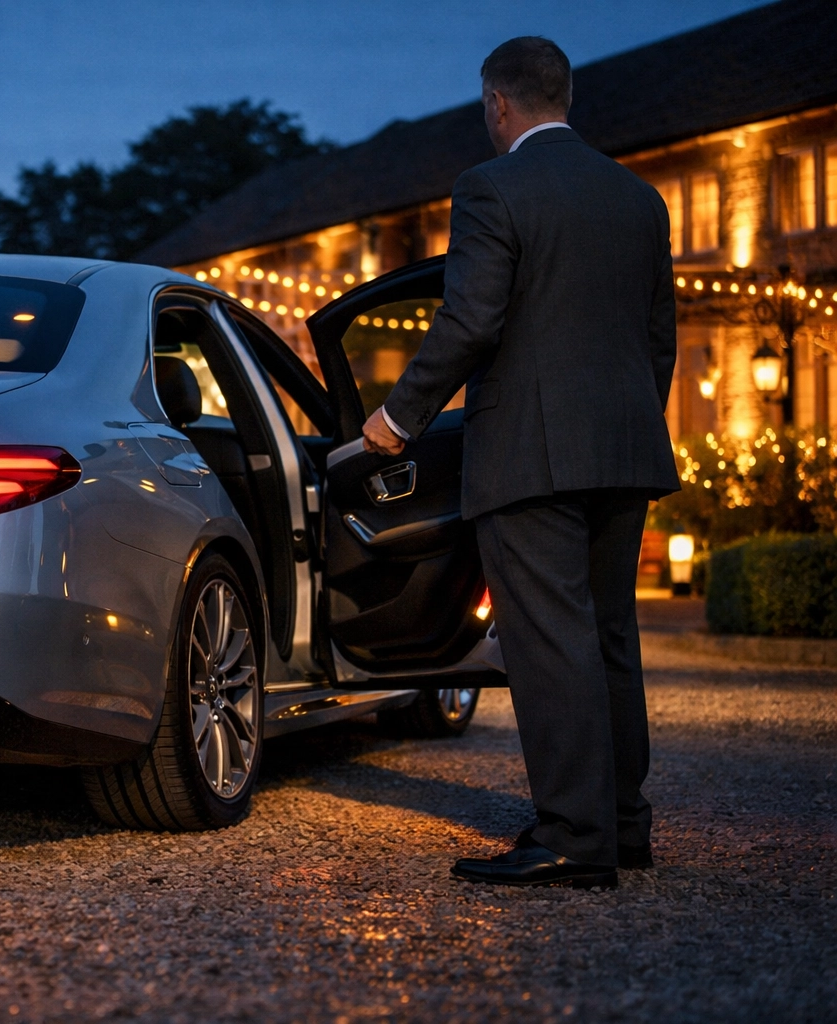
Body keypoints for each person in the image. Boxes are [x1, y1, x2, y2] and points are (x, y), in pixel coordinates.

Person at [362, 36, 679, 888]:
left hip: (530, 454)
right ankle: (622, 824)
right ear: (563, 97)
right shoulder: (639, 198)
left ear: (497, 104)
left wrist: (397, 419)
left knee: (549, 642)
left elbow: (471, 322)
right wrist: (627, 423)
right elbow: (658, 343)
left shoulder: (491, 186)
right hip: (626, 446)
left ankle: (574, 838)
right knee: (609, 634)